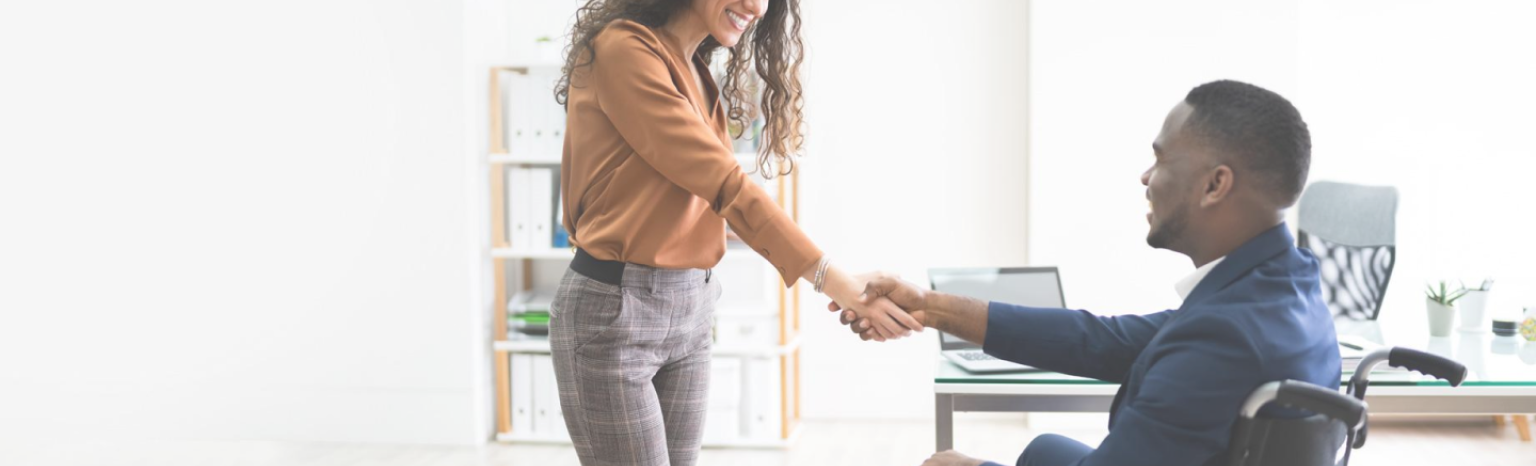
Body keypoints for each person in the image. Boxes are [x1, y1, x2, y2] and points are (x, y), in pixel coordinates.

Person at [835, 80, 1340, 466]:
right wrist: (931, 306)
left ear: (1215, 185)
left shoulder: (1224, 337)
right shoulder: (1281, 282)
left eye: (1159, 159)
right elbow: (1104, 340)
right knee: (1044, 448)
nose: (1146, 178)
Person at [550, 1, 919, 465]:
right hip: (616, 314)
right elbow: (724, 184)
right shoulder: (623, 50)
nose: (757, 6)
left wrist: (857, 289)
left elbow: (706, 205)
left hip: (691, 307)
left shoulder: (697, 71)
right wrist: (832, 278)